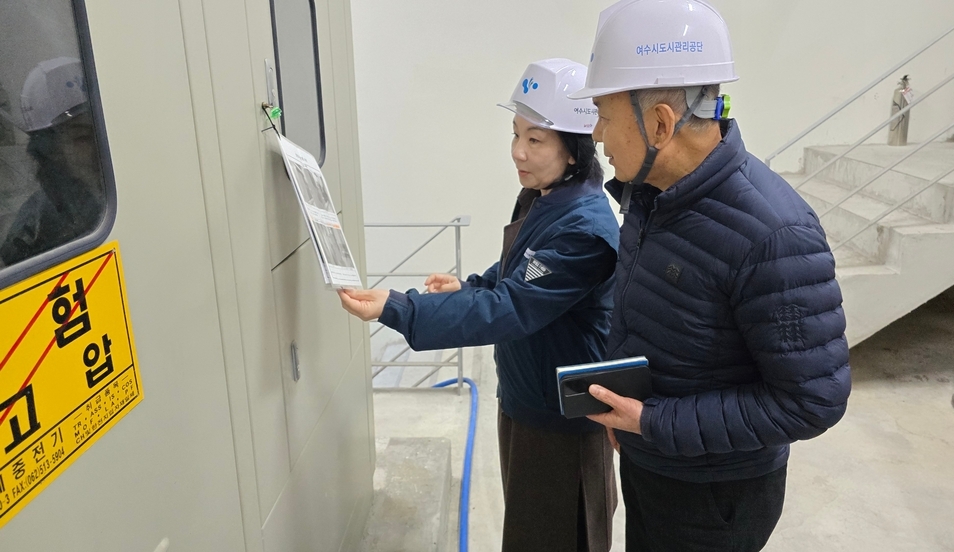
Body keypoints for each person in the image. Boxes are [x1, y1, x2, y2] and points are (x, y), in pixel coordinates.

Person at [565, 1, 852, 551]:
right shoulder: (652, 197)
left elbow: (811, 401)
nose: (597, 134)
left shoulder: (774, 236)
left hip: (713, 496)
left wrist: (655, 422)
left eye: (603, 113)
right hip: (651, 462)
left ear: (660, 123)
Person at [339, 59, 621, 551]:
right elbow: (515, 268)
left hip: (563, 422)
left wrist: (399, 308)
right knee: (528, 533)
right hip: (525, 398)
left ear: (575, 148)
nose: (517, 152)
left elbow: (510, 307)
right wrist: (467, 286)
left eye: (535, 140)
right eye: (515, 134)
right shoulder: (543, 196)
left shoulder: (585, 230)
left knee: (558, 537)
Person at [1, 57, 104, 266]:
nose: (98, 144)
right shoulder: (34, 231)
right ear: (52, 151)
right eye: (82, 137)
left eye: (101, 130)